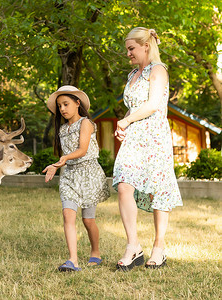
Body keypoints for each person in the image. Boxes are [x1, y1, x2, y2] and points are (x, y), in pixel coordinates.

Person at [113, 27, 182, 271]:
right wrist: (124, 124)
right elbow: (133, 107)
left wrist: (126, 121)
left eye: (131, 49)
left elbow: (153, 104)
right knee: (123, 184)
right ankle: (133, 247)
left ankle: (159, 248)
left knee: (158, 191)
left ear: (146, 46)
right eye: (127, 49)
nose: (128, 54)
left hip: (154, 137)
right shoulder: (133, 74)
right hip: (134, 138)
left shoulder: (158, 70)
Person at [43, 85, 110, 271]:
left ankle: (95, 252)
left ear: (77, 103)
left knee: (88, 220)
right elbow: (67, 156)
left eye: (66, 104)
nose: (62, 109)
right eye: (59, 106)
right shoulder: (63, 129)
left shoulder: (86, 123)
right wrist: (57, 165)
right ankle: (73, 260)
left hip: (88, 175)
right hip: (70, 176)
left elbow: (82, 150)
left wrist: (62, 159)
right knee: (67, 214)